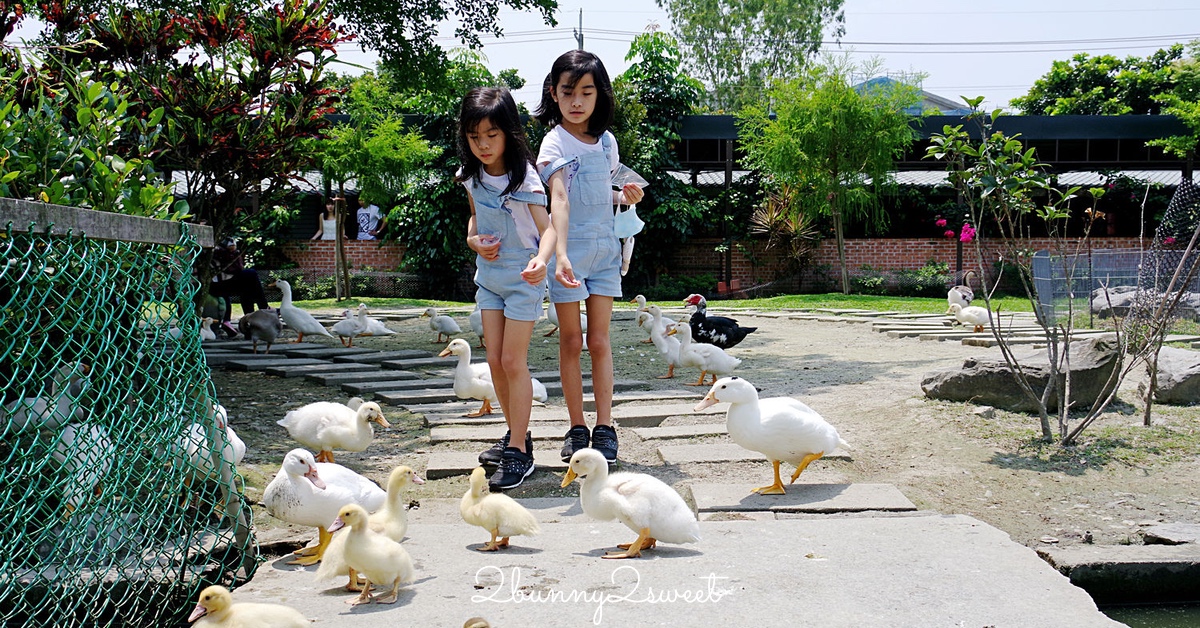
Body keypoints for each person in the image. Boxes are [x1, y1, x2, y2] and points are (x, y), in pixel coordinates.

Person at [535, 50, 644, 466]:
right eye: (568, 92)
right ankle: (577, 426)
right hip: (568, 255)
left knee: (599, 341)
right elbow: (558, 198)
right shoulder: (553, 142)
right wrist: (560, 254)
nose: (577, 101)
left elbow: (609, 191)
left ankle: (605, 426)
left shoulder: (608, 142)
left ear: (600, 95)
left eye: (586, 91)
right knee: (569, 340)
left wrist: (627, 194)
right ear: (554, 94)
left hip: (605, 252)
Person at [458, 86, 555, 491]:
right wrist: (472, 241)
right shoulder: (469, 176)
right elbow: (475, 221)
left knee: (514, 362)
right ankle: (518, 434)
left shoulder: (525, 178)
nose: (483, 144)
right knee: (495, 361)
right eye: (474, 136)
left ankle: (519, 452)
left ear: (509, 133)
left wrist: (541, 261)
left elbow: (548, 230)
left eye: (491, 135)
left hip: (523, 281)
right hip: (489, 281)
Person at [209, 238, 271, 337]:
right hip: (216, 285)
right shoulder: (216, 248)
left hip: (219, 283)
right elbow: (235, 269)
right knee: (251, 275)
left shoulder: (217, 244)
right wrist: (233, 253)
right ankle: (263, 309)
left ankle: (249, 323)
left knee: (248, 287)